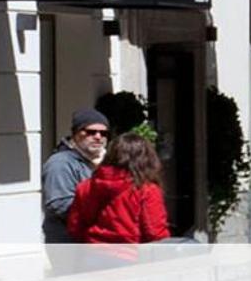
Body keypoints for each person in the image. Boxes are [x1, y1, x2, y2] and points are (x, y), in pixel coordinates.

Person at [67, 132, 170, 253]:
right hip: (131, 256)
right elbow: (154, 232)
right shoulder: (146, 189)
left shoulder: (86, 186)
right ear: (147, 159)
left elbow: (75, 227)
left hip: (92, 253)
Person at [42, 108, 110, 250]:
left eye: (103, 133)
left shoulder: (106, 161)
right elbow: (60, 204)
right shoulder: (60, 163)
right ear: (76, 134)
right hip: (69, 243)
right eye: (91, 132)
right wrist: (106, 214)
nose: (98, 136)